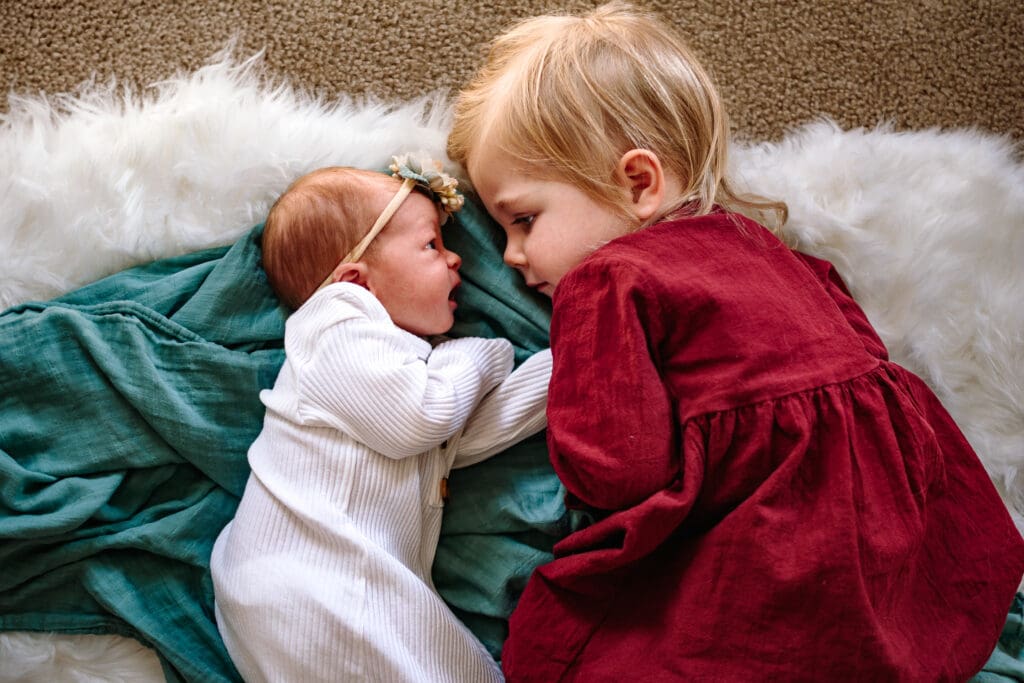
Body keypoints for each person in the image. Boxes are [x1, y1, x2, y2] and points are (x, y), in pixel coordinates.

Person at [446, 2, 1024, 680]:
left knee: (579, 647)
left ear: (638, 183)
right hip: (897, 525)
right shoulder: (768, 247)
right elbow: (865, 356)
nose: (512, 256)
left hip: (780, 539)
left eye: (523, 220)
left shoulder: (607, 279)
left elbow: (616, 468)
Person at [210, 156, 551, 682]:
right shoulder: (336, 325)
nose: (456, 260)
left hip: (337, 579)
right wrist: (481, 355)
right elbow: (425, 417)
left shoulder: (398, 367)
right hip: (312, 579)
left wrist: (574, 359)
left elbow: (465, 427)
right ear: (355, 281)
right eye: (432, 245)